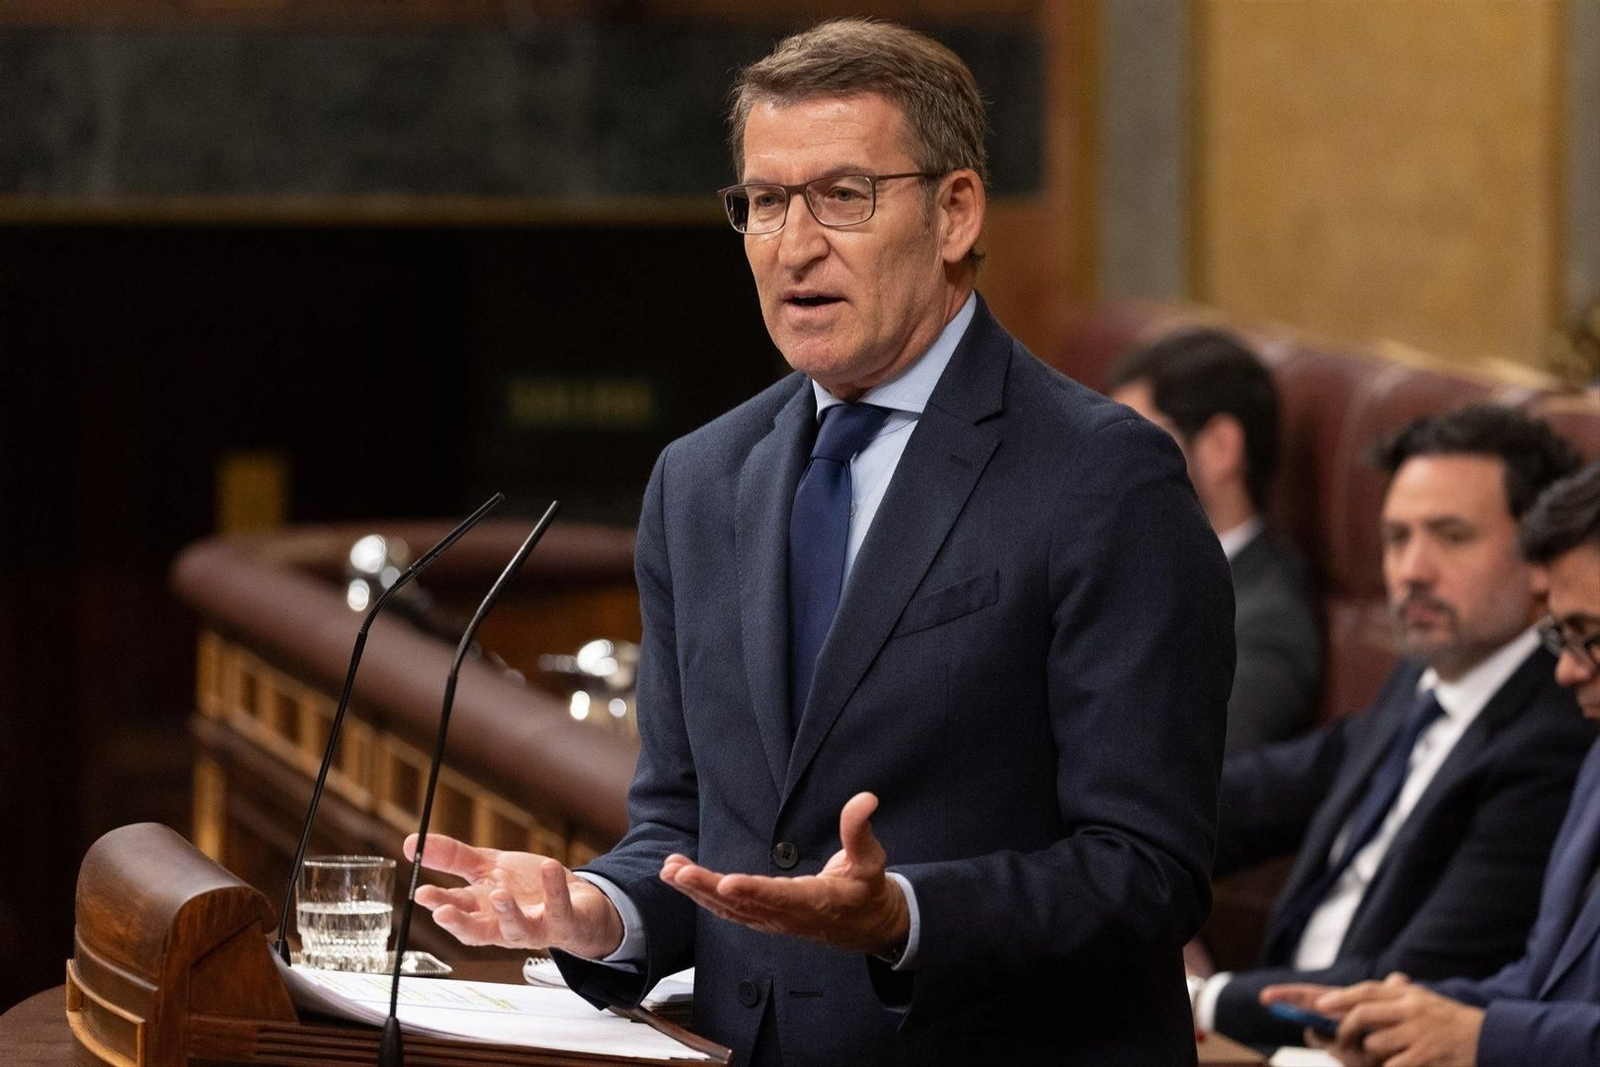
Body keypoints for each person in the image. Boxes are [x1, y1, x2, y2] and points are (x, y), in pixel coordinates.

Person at [402, 18, 1234, 1065]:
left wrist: (903, 915)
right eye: (762, 202)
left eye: (844, 196)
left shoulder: (1101, 476)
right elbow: (682, 829)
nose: (794, 245)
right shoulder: (699, 480)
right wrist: (593, 909)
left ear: (954, 212)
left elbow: (1145, 870)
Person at [1192, 405, 1590, 1048]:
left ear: (1540, 559)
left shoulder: (1558, 732)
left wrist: (1200, 1000)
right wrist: (1106, 832)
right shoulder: (1426, 676)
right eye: (1397, 538)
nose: (1412, 572)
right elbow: (1266, 789)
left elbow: (1413, 980)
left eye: (1451, 536)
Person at [1108, 329, 1322, 752]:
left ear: (1220, 449)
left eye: (1134, 443)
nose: (1111, 471)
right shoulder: (1113, 564)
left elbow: (1191, 775)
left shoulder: (1267, 622)